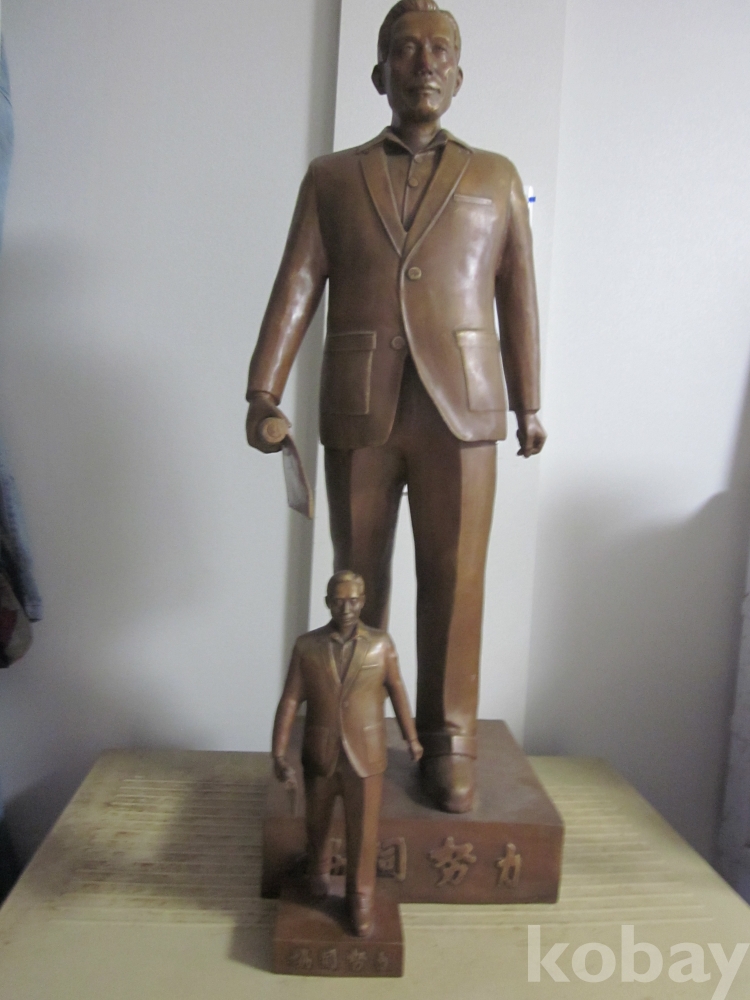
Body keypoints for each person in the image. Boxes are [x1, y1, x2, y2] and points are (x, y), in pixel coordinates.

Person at [248, 0, 545, 814]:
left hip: (465, 410)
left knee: (457, 577)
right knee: (358, 580)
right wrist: (262, 390)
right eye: (405, 49)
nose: (424, 63)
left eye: (440, 49)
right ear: (378, 73)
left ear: (459, 74)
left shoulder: (497, 177)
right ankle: (354, 727)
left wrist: (530, 401)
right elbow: (297, 284)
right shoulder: (332, 178)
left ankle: (450, 740)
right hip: (361, 406)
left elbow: (519, 294)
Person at [272, 571, 422, 937]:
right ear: (327, 602)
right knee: (316, 822)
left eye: (353, 600)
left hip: (366, 757)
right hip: (320, 751)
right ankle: (318, 872)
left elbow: (397, 689)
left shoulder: (380, 645)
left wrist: (412, 737)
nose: (346, 608)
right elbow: (290, 699)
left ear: (364, 601)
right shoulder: (307, 647)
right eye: (338, 601)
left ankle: (360, 896)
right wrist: (278, 751)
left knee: (364, 832)